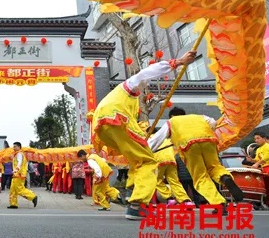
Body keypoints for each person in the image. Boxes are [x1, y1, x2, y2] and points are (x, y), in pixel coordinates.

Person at [91, 50, 197, 220]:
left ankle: (135, 198)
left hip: (104, 126)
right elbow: (144, 74)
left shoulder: (127, 101)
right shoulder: (128, 87)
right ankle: (137, 205)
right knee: (147, 162)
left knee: (139, 161)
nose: (144, 87)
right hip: (116, 119)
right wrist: (178, 62)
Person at [148, 107, 244, 215]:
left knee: (200, 177)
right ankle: (224, 177)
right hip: (209, 140)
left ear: (171, 116)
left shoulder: (171, 122)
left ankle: (219, 204)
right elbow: (212, 122)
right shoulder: (199, 117)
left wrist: (144, 152)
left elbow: (156, 140)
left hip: (189, 145)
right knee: (215, 167)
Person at [7, 142, 38, 209]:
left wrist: (17, 169)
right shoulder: (16, 154)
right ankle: (13, 204)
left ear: (19, 147)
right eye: (13, 146)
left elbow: (19, 162)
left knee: (20, 189)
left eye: (15, 146)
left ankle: (33, 197)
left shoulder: (19, 154)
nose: (13, 148)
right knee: (12, 190)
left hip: (19, 174)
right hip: (16, 174)